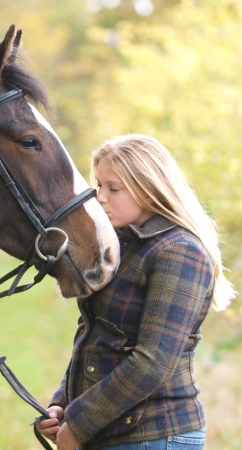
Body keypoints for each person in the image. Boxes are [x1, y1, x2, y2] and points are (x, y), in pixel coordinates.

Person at [37, 134, 236, 450]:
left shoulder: (179, 252)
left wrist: (79, 424)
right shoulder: (118, 246)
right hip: (108, 431)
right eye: (99, 185)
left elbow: (153, 361)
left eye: (113, 189)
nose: (100, 197)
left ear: (150, 189)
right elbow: (96, 334)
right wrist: (64, 404)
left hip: (156, 435)